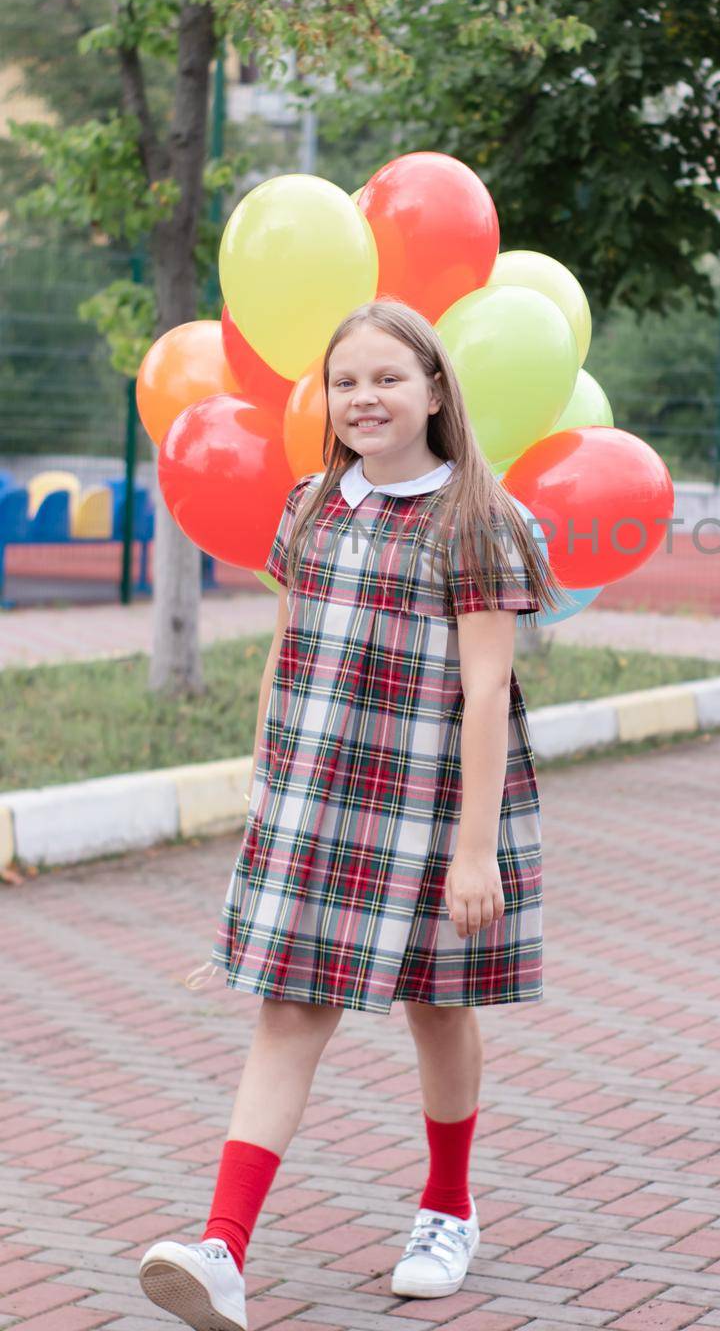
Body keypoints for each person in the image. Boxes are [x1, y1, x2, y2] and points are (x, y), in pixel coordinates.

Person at [139, 297, 567, 1329]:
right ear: (322, 400)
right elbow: (289, 654)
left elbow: (481, 694)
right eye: (344, 382)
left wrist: (473, 854)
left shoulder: (478, 520)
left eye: (386, 378)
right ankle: (222, 1248)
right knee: (288, 1007)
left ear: (432, 390)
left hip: (432, 806)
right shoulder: (311, 505)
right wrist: (265, 784)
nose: (363, 398)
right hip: (319, 803)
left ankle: (447, 1207)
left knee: (436, 1005)